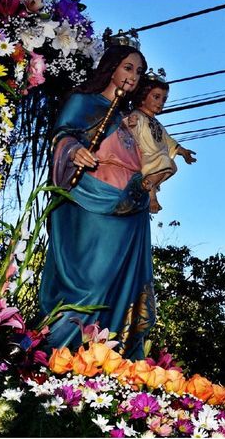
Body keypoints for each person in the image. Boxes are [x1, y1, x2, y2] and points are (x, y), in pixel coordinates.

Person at [39, 45, 155, 360]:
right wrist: (74, 150)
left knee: (122, 286)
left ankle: (109, 357)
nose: (133, 76)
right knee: (91, 282)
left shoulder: (131, 118)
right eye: (128, 67)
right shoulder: (83, 102)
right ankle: (63, 355)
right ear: (112, 68)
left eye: (139, 71)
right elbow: (62, 136)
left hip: (131, 209)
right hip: (91, 201)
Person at [127, 71, 197, 213]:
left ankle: (149, 187)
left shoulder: (157, 124)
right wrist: (132, 124)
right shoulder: (138, 115)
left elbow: (168, 141)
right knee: (164, 161)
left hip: (157, 158)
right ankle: (151, 195)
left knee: (170, 164)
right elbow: (128, 130)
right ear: (143, 97)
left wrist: (183, 152)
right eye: (156, 97)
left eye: (164, 99)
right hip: (143, 156)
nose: (160, 103)